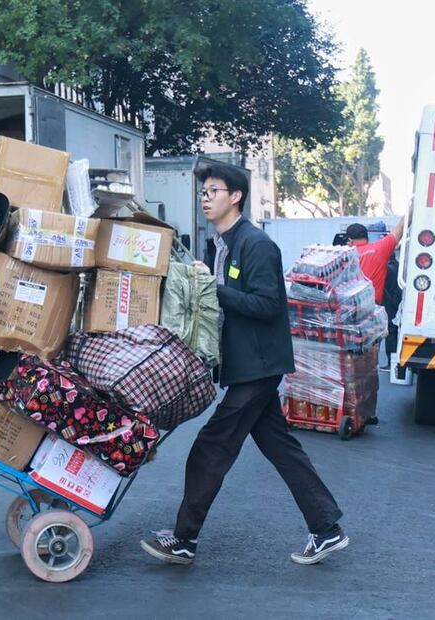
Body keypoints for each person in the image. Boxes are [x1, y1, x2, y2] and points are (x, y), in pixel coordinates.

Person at [140, 163, 347, 567]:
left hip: (260, 365)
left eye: (213, 190)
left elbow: (269, 304)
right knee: (281, 448)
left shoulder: (256, 244)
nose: (205, 198)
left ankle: (184, 540)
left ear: (235, 197)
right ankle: (326, 529)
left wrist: (214, 290)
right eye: (203, 192)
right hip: (247, 364)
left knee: (210, 447)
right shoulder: (221, 244)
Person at [345, 218, 406, 306]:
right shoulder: (380, 248)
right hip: (374, 307)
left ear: (350, 241)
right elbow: (401, 227)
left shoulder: (345, 256)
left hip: (351, 308)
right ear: (367, 238)